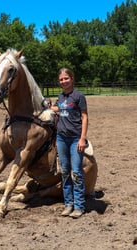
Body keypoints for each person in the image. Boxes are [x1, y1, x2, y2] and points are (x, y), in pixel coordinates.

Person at [50, 68, 88, 219]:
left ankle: (79, 206)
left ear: (72, 78)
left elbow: (84, 117)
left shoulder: (79, 96)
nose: (63, 81)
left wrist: (82, 138)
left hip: (74, 139)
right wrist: (49, 107)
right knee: (65, 172)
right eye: (61, 79)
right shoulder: (60, 97)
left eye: (66, 78)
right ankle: (68, 204)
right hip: (61, 138)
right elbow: (59, 109)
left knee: (77, 172)